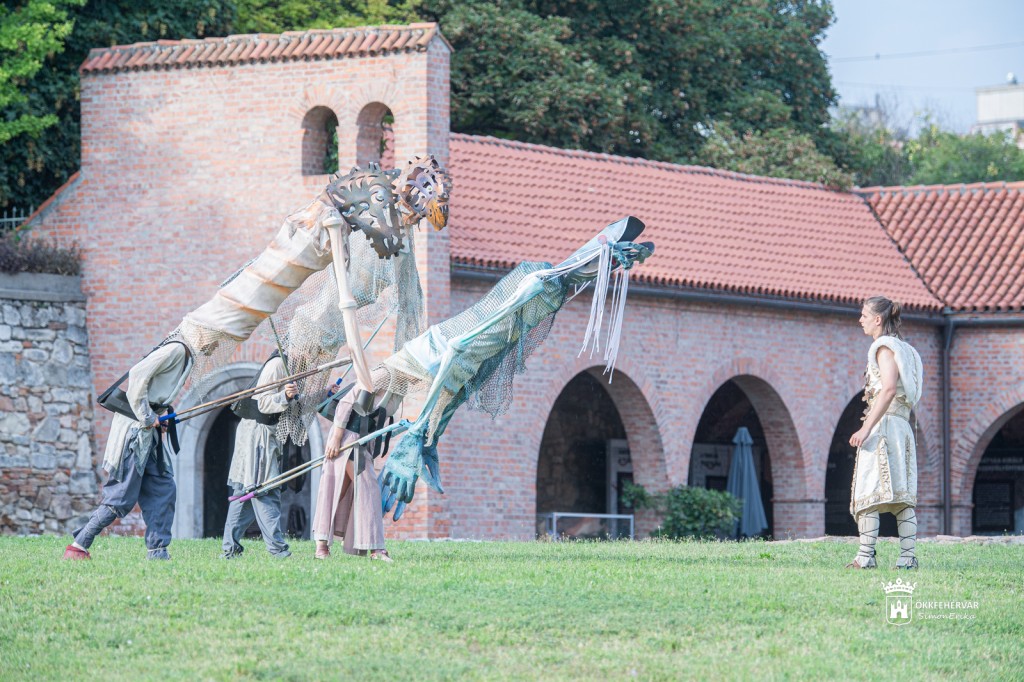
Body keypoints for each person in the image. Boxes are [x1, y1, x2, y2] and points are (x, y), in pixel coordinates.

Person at [64, 340, 194, 560]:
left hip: (148, 437)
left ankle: (157, 551)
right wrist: (148, 416)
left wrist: (156, 418)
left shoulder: (187, 354)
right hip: (134, 434)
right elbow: (137, 374)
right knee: (121, 496)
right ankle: (78, 546)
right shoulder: (176, 348)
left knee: (162, 489)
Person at [847, 296, 924, 570]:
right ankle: (907, 558)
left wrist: (866, 427)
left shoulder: (884, 347)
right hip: (901, 426)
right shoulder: (907, 349)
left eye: (864, 315)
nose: (861, 320)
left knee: (869, 490)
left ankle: (866, 557)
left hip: (885, 426)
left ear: (878, 319)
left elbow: (889, 388)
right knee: (901, 495)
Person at [221, 352, 296, 559]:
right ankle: (278, 551)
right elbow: (262, 403)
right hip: (258, 434)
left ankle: (230, 550)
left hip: (266, 434)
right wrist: (284, 396)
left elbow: (296, 405)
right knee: (265, 489)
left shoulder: (295, 367)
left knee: (244, 494)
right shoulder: (278, 365)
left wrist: (323, 394)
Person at [311, 389, 393, 561]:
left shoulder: (400, 387)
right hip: (349, 441)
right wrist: (336, 438)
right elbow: (345, 403)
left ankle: (322, 546)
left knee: (339, 491)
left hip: (363, 441)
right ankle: (376, 549)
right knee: (368, 490)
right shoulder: (379, 377)